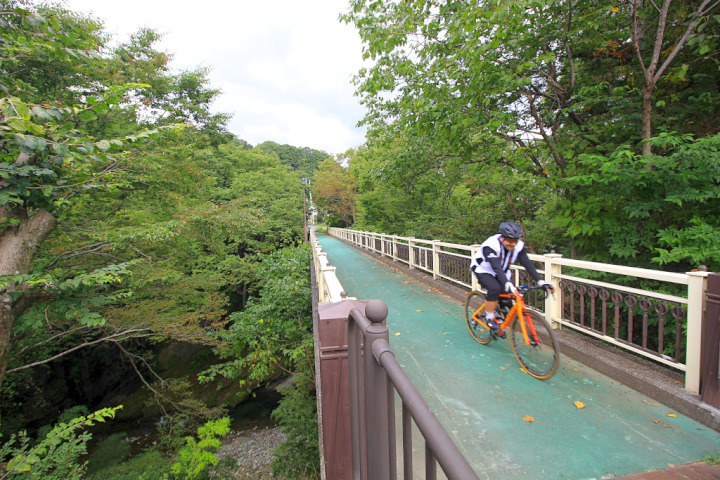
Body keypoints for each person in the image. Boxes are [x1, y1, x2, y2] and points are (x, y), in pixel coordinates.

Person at [469, 222, 554, 336]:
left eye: (515, 240)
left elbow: (527, 264)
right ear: (502, 237)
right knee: (495, 288)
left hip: (503, 271)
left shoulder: (518, 246)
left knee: (508, 299)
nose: (512, 244)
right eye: (509, 240)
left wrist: (541, 282)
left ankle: (499, 314)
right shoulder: (490, 245)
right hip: (484, 270)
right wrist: (507, 283)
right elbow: (496, 266)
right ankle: (490, 318)